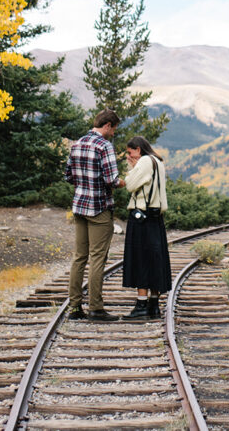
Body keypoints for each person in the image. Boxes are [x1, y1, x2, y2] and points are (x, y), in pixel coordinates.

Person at [64, 109, 124, 321]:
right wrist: (126, 182)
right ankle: (96, 308)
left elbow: (68, 176)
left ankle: (74, 307)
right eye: (114, 128)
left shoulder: (77, 143)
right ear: (107, 125)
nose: (114, 133)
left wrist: (84, 185)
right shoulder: (104, 146)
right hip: (99, 207)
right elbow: (112, 180)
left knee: (79, 257)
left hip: (79, 207)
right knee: (98, 257)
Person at [121, 136, 172, 319]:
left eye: (130, 152)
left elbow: (130, 185)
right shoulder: (158, 161)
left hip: (141, 216)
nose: (129, 156)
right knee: (155, 259)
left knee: (140, 260)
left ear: (138, 150)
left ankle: (141, 305)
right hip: (156, 217)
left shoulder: (143, 161)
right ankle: (154, 304)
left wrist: (131, 167)